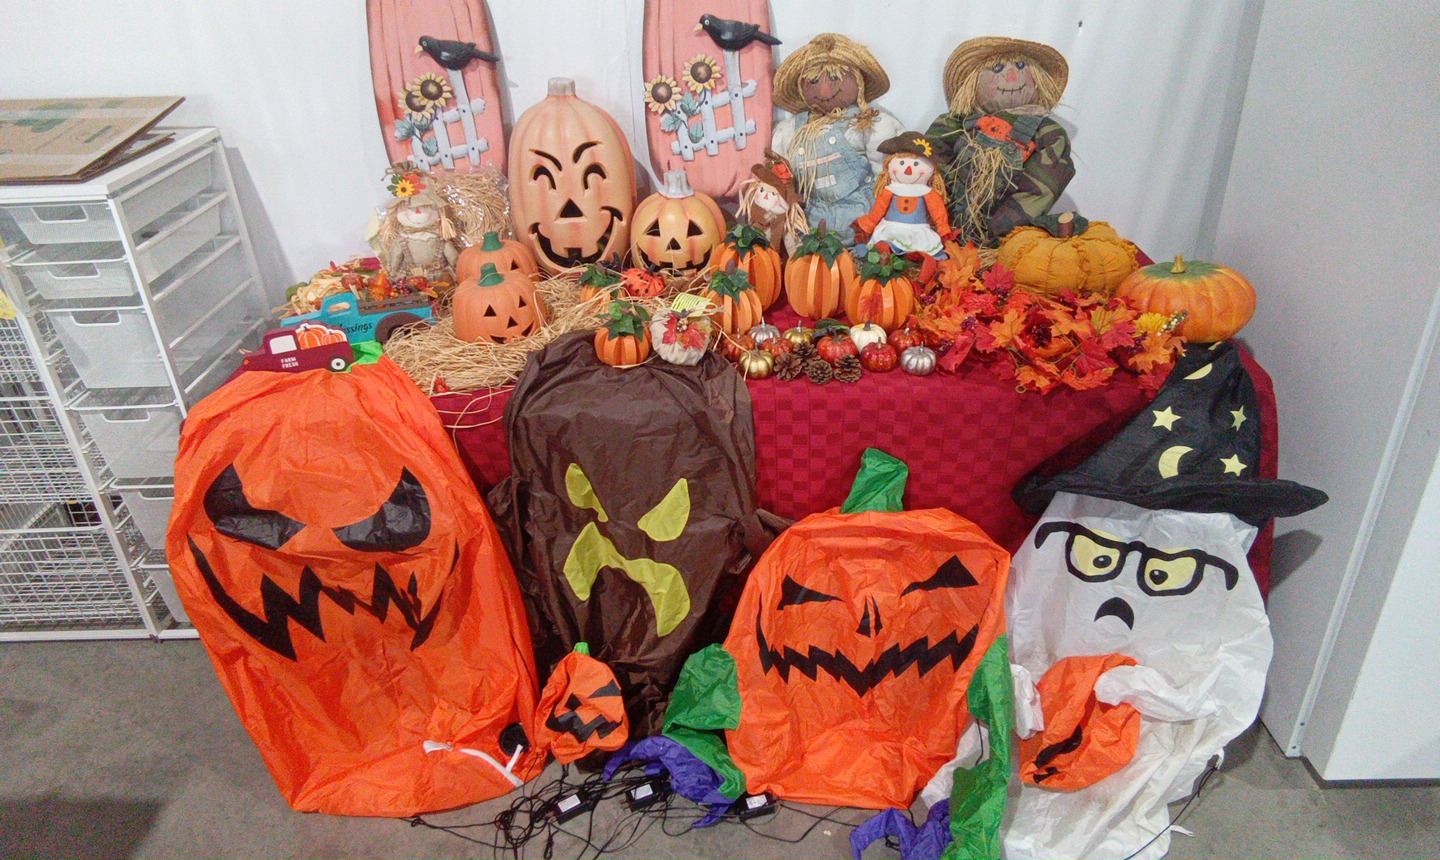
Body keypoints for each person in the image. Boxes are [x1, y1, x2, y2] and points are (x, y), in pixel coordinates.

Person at [926, 36, 1075, 247]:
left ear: (1038, 79)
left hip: (1004, 240)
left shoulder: (1048, 133)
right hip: (946, 232)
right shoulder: (955, 123)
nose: (1011, 76)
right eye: (997, 69)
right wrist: (945, 215)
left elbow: (1043, 187)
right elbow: (930, 164)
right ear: (973, 83)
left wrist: (997, 230)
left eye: (1021, 66)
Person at [770, 33, 904, 245]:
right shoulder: (790, 131)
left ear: (857, 80)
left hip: (864, 226)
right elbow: (779, 177)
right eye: (813, 81)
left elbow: (886, 173)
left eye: (834, 78)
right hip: (811, 229)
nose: (824, 90)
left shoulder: (866, 123)